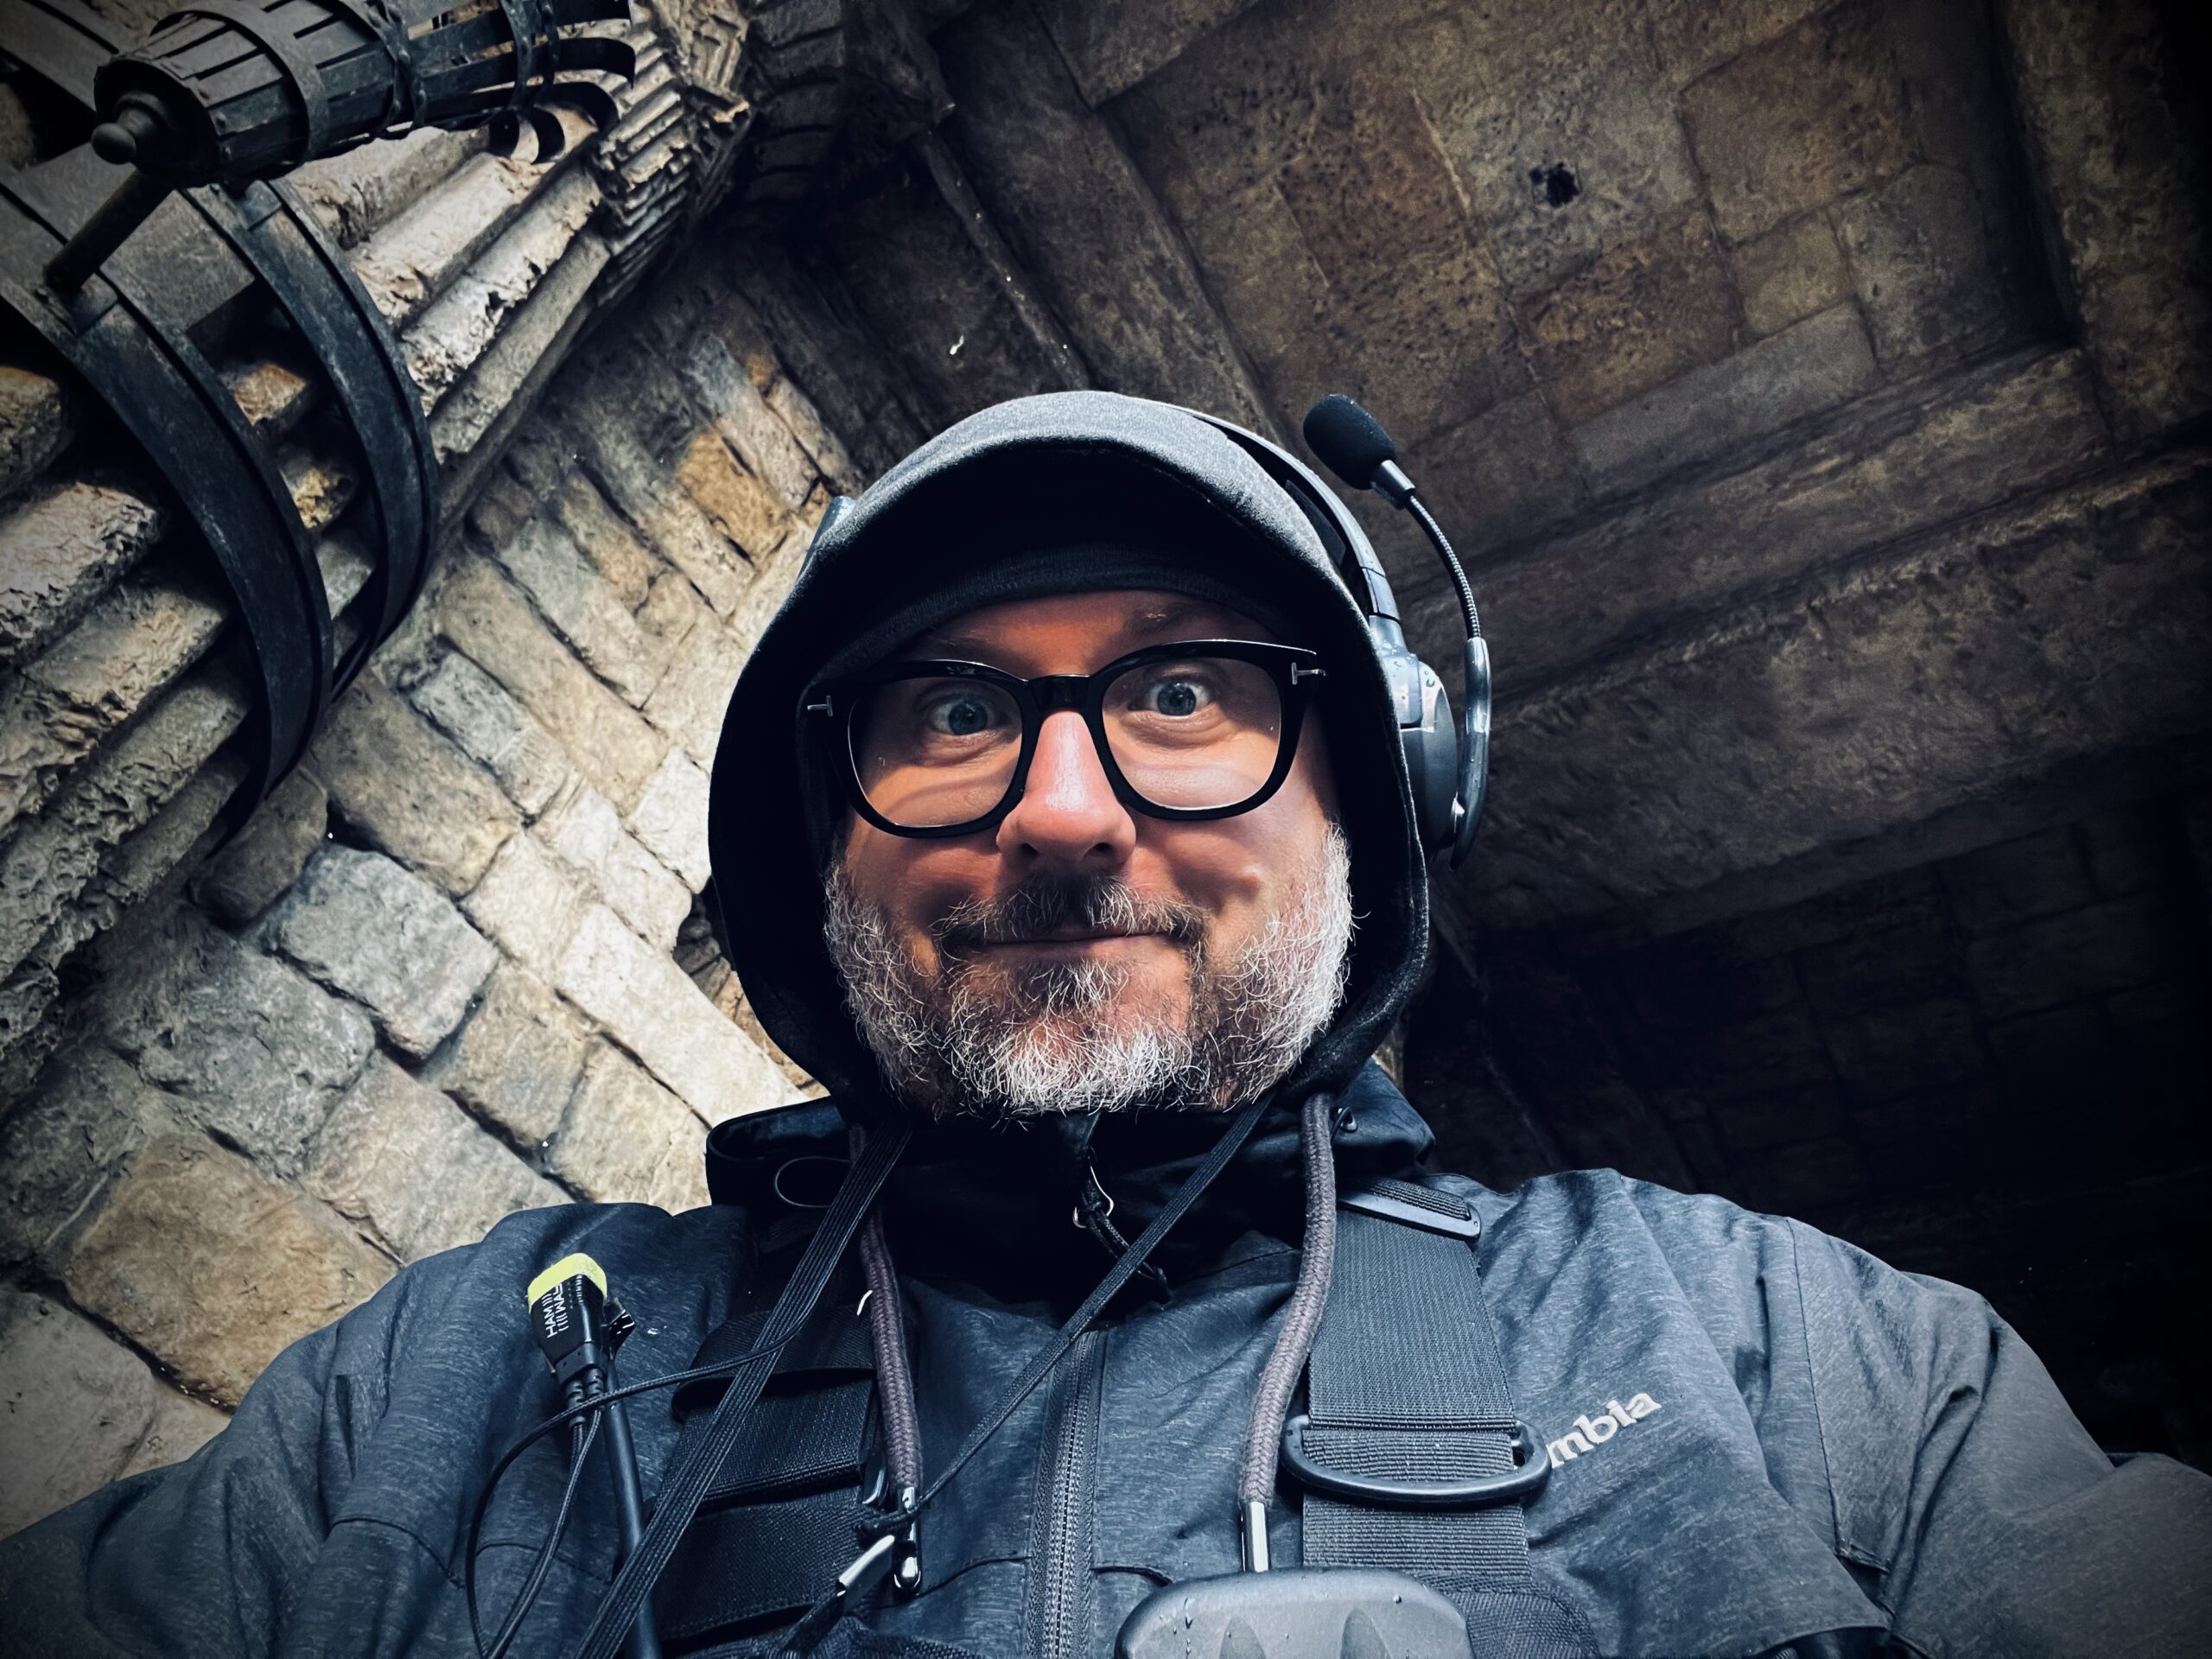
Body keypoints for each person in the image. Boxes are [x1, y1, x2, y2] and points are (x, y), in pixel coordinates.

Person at [1, 391, 2206, 1659]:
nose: (1061, 812)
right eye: (954, 712)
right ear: (819, 852)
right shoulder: (460, 1382)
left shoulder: (1773, 1349)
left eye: (1180, 691)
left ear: (1373, 807)